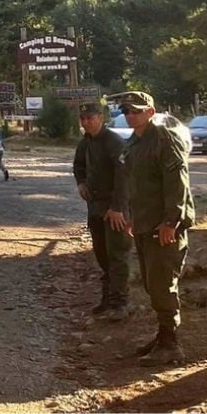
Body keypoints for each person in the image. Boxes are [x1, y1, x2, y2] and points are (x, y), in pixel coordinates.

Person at [112, 91, 194, 367]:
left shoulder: (163, 139)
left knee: (161, 285)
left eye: (136, 111)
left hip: (164, 226)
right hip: (146, 224)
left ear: (150, 111)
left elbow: (177, 184)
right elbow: (137, 185)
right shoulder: (135, 142)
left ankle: (171, 345)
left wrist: (172, 221)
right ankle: (163, 337)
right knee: (151, 283)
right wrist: (133, 217)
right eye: (126, 112)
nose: (130, 115)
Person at [73, 102, 131, 321]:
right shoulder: (86, 143)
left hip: (114, 209)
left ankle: (120, 303)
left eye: (90, 118)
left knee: (118, 255)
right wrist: (81, 183)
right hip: (95, 208)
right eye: (83, 118)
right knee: (102, 254)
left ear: (101, 118)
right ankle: (107, 298)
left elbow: (124, 176)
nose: (86, 122)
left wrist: (117, 208)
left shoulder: (113, 142)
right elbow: (78, 165)